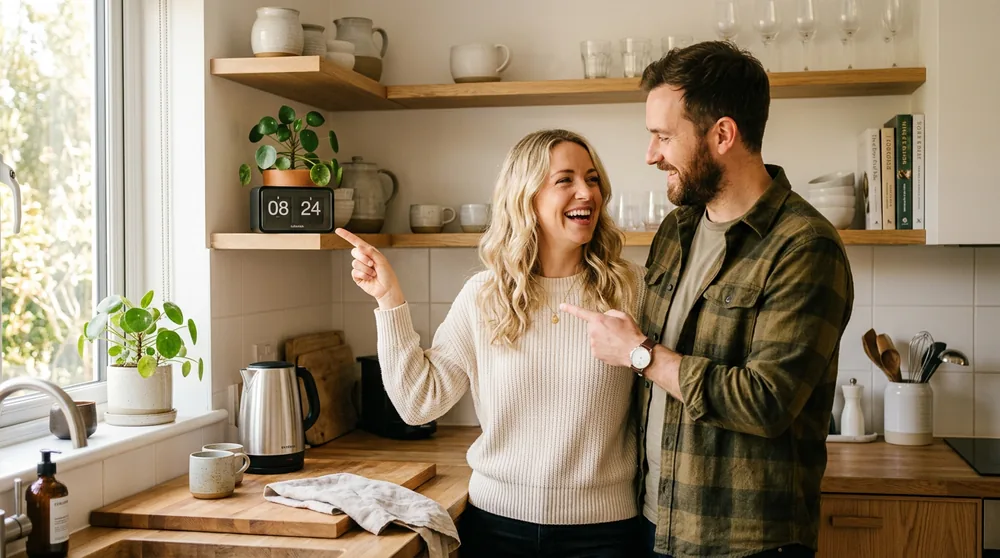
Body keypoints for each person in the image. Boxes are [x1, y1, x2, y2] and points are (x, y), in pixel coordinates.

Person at [561, 41, 855, 558]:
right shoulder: (677, 229)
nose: (650, 154)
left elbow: (766, 401)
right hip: (655, 521)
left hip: (744, 541)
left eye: (663, 137)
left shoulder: (805, 245)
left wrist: (642, 355)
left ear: (722, 134)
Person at [336, 128, 646, 557]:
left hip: (606, 531)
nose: (586, 193)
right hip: (497, 527)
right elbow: (417, 402)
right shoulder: (485, 296)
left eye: (592, 179)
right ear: (526, 196)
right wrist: (389, 299)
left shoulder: (630, 290)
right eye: (565, 180)